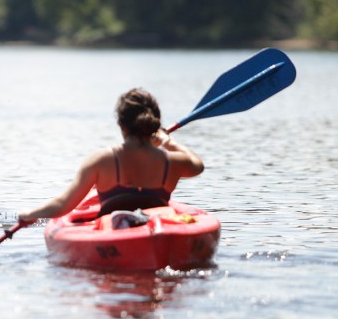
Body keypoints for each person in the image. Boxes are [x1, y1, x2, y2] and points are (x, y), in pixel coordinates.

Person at [18, 88, 204, 223]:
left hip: (113, 234)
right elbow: (198, 165)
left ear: (121, 124)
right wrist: (167, 142)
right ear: (155, 124)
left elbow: (63, 205)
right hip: (158, 228)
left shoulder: (101, 160)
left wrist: (30, 214)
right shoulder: (173, 161)